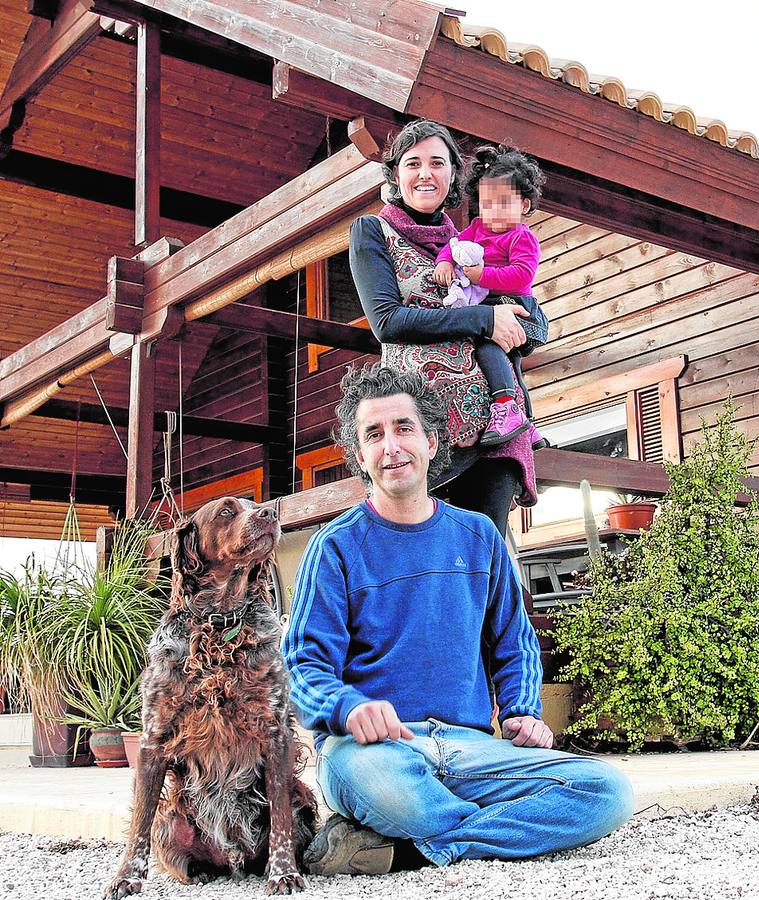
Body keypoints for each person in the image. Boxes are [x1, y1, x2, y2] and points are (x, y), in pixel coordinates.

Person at [283, 365, 635, 877]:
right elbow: (302, 667)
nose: (391, 447)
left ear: (431, 440)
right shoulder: (334, 548)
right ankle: (491, 828)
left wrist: (521, 710)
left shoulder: (478, 537)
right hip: (377, 752)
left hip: (471, 750)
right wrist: (347, 707)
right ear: (360, 456)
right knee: (386, 785)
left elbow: (513, 640)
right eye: (374, 435)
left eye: (404, 429)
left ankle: (411, 849)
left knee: (606, 791)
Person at [348, 120, 540, 538]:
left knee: (482, 553)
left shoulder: (470, 242)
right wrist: (486, 319)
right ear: (396, 174)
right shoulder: (372, 232)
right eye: (413, 163)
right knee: (420, 551)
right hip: (419, 429)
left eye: (438, 162)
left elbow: (528, 313)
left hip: (493, 429)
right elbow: (387, 322)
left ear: (454, 174)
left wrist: (520, 321)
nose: (425, 173)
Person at [432, 145, 549, 448]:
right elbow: (453, 245)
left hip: (518, 309)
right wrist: (445, 261)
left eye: (503, 203)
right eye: (487, 204)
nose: (493, 212)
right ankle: (527, 424)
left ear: (523, 205)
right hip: (492, 308)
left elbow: (522, 276)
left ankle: (505, 405)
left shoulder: (522, 236)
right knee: (511, 366)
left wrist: (480, 276)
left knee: (487, 344)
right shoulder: (477, 228)